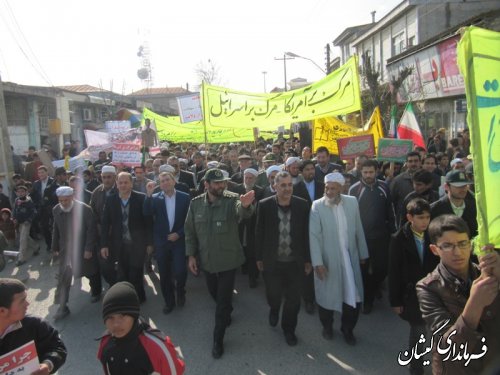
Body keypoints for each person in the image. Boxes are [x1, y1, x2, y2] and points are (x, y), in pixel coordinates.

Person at [185, 168, 255, 359]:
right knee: (214, 294)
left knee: (222, 301)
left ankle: (218, 339)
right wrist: (191, 255)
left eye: (223, 182)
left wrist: (247, 206)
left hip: (228, 260)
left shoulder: (232, 199)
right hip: (207, 261)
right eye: (216, 183)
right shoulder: (195, 204)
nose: (221, 186)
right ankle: (227, 310)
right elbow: (190, 231)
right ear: (206, 185)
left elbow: (242, 212)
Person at [416, 215, 499, 375]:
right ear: (435, 249)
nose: (458, 252)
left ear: (471, 244)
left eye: (463, 243)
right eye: (447, 246)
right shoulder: (428, 287)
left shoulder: (486, 274)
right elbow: (447, 348)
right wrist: (475, 304)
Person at [309, 172, 369, 346]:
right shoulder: (317, 206)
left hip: (350, 260)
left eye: (333, 188)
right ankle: (327, 326)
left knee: (354, 297)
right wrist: (318, 263)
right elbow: (314, 236)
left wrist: (363, 254)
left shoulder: (351, 202)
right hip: (329, 260)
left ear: (342, 188)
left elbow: (358, 228)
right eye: (327, 188)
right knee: (326, 297)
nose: (328, 191)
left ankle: (347, 329)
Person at [255, 171, 312, 346]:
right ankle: (273, 309)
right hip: (273, 262)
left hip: (295, 262)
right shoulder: (265, 205)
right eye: (283, 185)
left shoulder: (302, 205)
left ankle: (289, 329)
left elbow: (307, 234)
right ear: (275, 186)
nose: (287, 189)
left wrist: (308, 259)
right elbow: (259, 232)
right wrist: (259, 257)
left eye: (290, 185)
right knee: (274, 295)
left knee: (293, 301)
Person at [388, 198, 439, 375]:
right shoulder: (399, 239)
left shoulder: (434, 235)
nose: (425, 221)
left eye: (427, 217)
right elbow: (393, 271)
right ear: (410, 217)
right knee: (418, 331)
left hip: (434, 292)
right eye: (420, 217)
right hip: (412, 294)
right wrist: (395, 300)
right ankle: (416, 367)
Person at [97, 281, 185, 375]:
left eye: (122, 316)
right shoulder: (105, 343)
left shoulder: (157, 347)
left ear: (134, 316)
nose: (116, 324)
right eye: (110, 317)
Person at [348, 159, 396, 314]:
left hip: (382, 236)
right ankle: (367, 300)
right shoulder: (354, 189)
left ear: (376, 172)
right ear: (361, 172)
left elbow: (391, 211)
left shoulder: (384, 187)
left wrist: (393, 232)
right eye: (365, 172)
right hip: (362, 238)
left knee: (382, 269)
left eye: (371, 172)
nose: (368, 175)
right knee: (363, 269)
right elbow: (350, 216)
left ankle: (374, 287)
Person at [100, 172, 153, 302]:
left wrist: (150, 243)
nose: (123, 185)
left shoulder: (141, 198)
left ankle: (139, 298)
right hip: (119, 244)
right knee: (122, 273)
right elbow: (105, 223)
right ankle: (127, 299)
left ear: (131, 183)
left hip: (137, 244)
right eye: (120, 182)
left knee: (136, 272)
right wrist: (104, 245)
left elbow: (148, 223)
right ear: (116, 184)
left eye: (126, 182)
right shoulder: (111, 200)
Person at [143, 172, 190, 314]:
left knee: (181, 271)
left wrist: (179, 234)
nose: (165, 183)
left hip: (179, 241)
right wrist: (149, 195)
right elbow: (146, 213)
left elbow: (190, 221)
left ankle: (180, 291)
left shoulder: (185, 197)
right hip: (162, 242)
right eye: (161, 181)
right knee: (164, 274)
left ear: (174, 181)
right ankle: (169, 302)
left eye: (167, 180)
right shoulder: (156, 198)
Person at [51, 186, 101, 320]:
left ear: (72, 197)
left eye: (66, 200)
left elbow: (92, 230)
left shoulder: (85, 209)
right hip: (65, 250)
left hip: (82, 248)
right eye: (61, 200)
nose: (63, 203)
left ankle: (96, 292)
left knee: (91, 272)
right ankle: (62, 307)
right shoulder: (56, 210)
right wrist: (54, 247)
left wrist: (89, 249)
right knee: (63, 277)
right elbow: (56, 229)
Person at [0, 278, 67, 374]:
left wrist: (48, 365)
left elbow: (57, 348)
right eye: (22, 301)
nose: (27, 303)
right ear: (2, 311)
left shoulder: (34, 324)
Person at [292, 159, 325, 314]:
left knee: (322, 263)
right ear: (301, 172)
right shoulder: (295, 188)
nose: (310, 172)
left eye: (312, 169)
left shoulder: (322, 186)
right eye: (307, 169)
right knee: (307, 266)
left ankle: (323, 297)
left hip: (322, 231)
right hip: (303, 233)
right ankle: (308, 299)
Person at [90, 165, 118, 287]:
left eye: (109, 177)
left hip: (119, 233)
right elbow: (93, 212)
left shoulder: (121, 188)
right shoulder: (96, 192)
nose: (106, 180)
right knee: (105, 265)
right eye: (104, 177)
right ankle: (114, 284)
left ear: (114, 177)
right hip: (103, 235)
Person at [430, 170, 478, 237]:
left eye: (465, 185)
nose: (463, 189)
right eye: (458, 186)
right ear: (446, 186)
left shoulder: (475, 207)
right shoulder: (434, 209)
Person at [390, 152, 422, 221]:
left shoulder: (427, 178)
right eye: (410, 161)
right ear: (406, 163)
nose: (413, 164)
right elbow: (392, 202)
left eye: (416, 161)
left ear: (420, 162)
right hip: (404, 220)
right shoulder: (398, 181)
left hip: (423, 219)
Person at [12, 185, 37, 266]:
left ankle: (21, 259)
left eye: (22, 191)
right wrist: (14, 218)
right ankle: (36, 247)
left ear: (26, 192)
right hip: (19, 223)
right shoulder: (16, 200)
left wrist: (28, 220)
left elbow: (34, 212)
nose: (20, 193)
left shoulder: (29, 201)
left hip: (26, 223)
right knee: (26, 237)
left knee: (22, 240)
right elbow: (14, 210)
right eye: (19, 192)